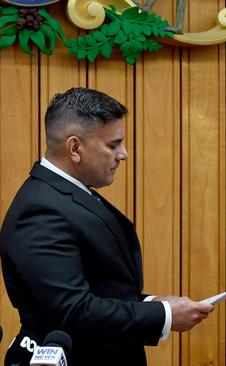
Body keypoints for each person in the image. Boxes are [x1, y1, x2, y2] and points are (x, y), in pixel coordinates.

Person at [0, 87, 214, 365]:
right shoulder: (40, 210)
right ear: (75, 148)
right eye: (113, 145)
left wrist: (151, 304)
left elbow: (99, 287)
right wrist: (165, 315)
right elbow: (72, 310)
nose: (123, 154)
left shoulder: (67, 194)